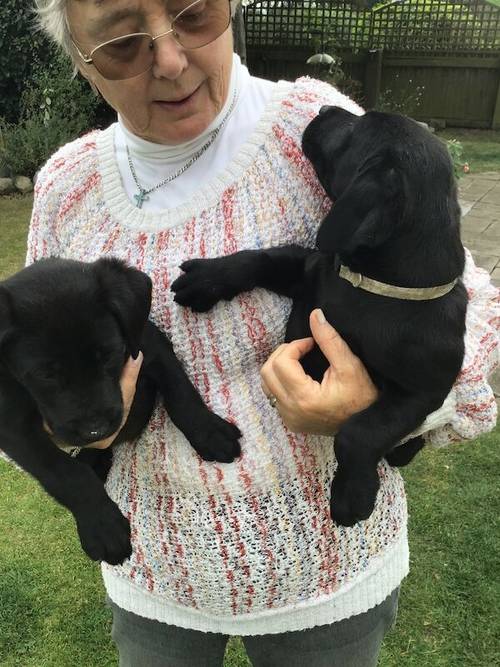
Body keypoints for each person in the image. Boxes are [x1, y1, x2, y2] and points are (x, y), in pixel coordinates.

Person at [30, 1, 499, 665]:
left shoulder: (307, 124)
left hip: (328, 581)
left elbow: (460, 300)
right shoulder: (66, 190)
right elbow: (21, 356)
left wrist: (375, 413)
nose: (170, 60)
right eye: (125, 43)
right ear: (81, 63)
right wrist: (60, 421)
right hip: (155, 577)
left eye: (194, 14)